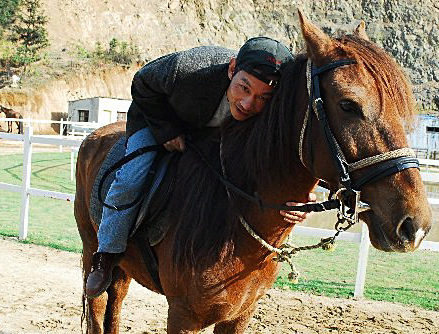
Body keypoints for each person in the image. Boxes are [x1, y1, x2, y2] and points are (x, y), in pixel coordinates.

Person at [85, 37, 317, 298]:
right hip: (159, 120)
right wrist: (166, 131)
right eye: (243, 88)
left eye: (263, 97)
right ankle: (106, 254)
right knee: (131, 176)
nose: (249, 104)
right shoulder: (189, 67)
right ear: (232, 69)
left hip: (214, 134)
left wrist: (297, 197)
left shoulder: (268, 107)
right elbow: (142, 81)